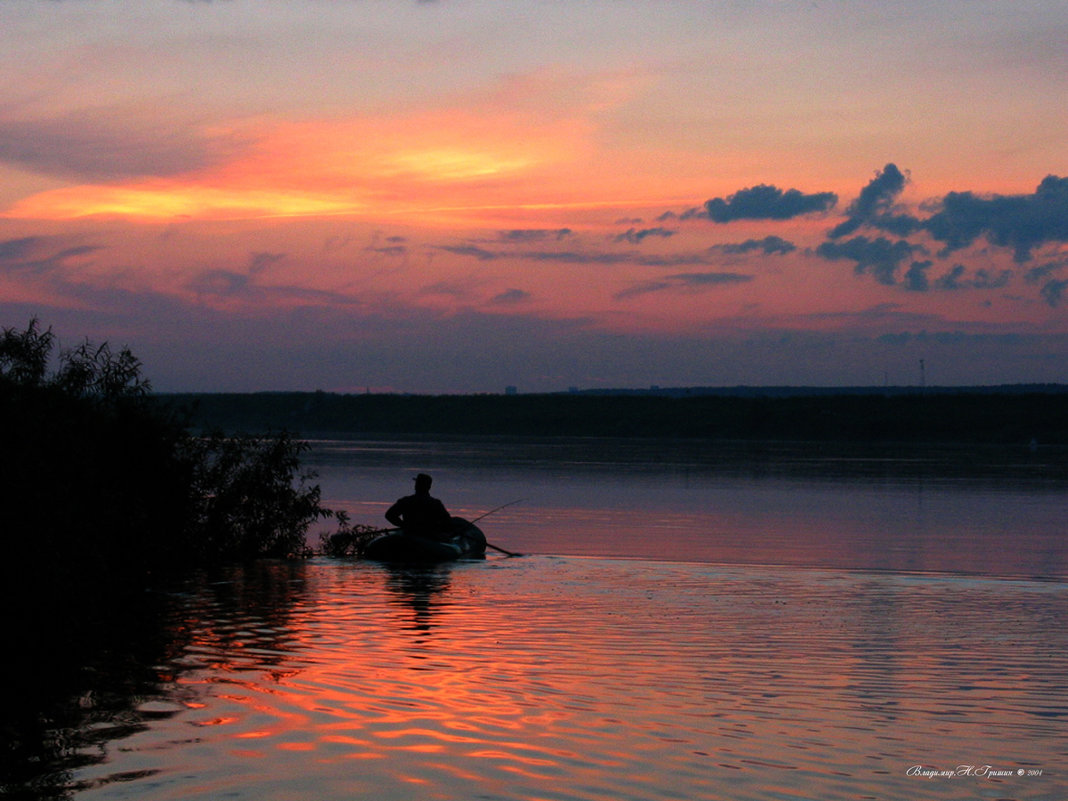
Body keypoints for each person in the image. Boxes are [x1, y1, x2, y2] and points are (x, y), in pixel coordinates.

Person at [385, 473, 452, 539]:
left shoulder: (406, 501)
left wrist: (403, 525)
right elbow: (447, 521)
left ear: (416, 486)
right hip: (430, 536)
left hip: (409, 534)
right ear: (429, 487)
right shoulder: (436, 503)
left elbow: (389, 515)